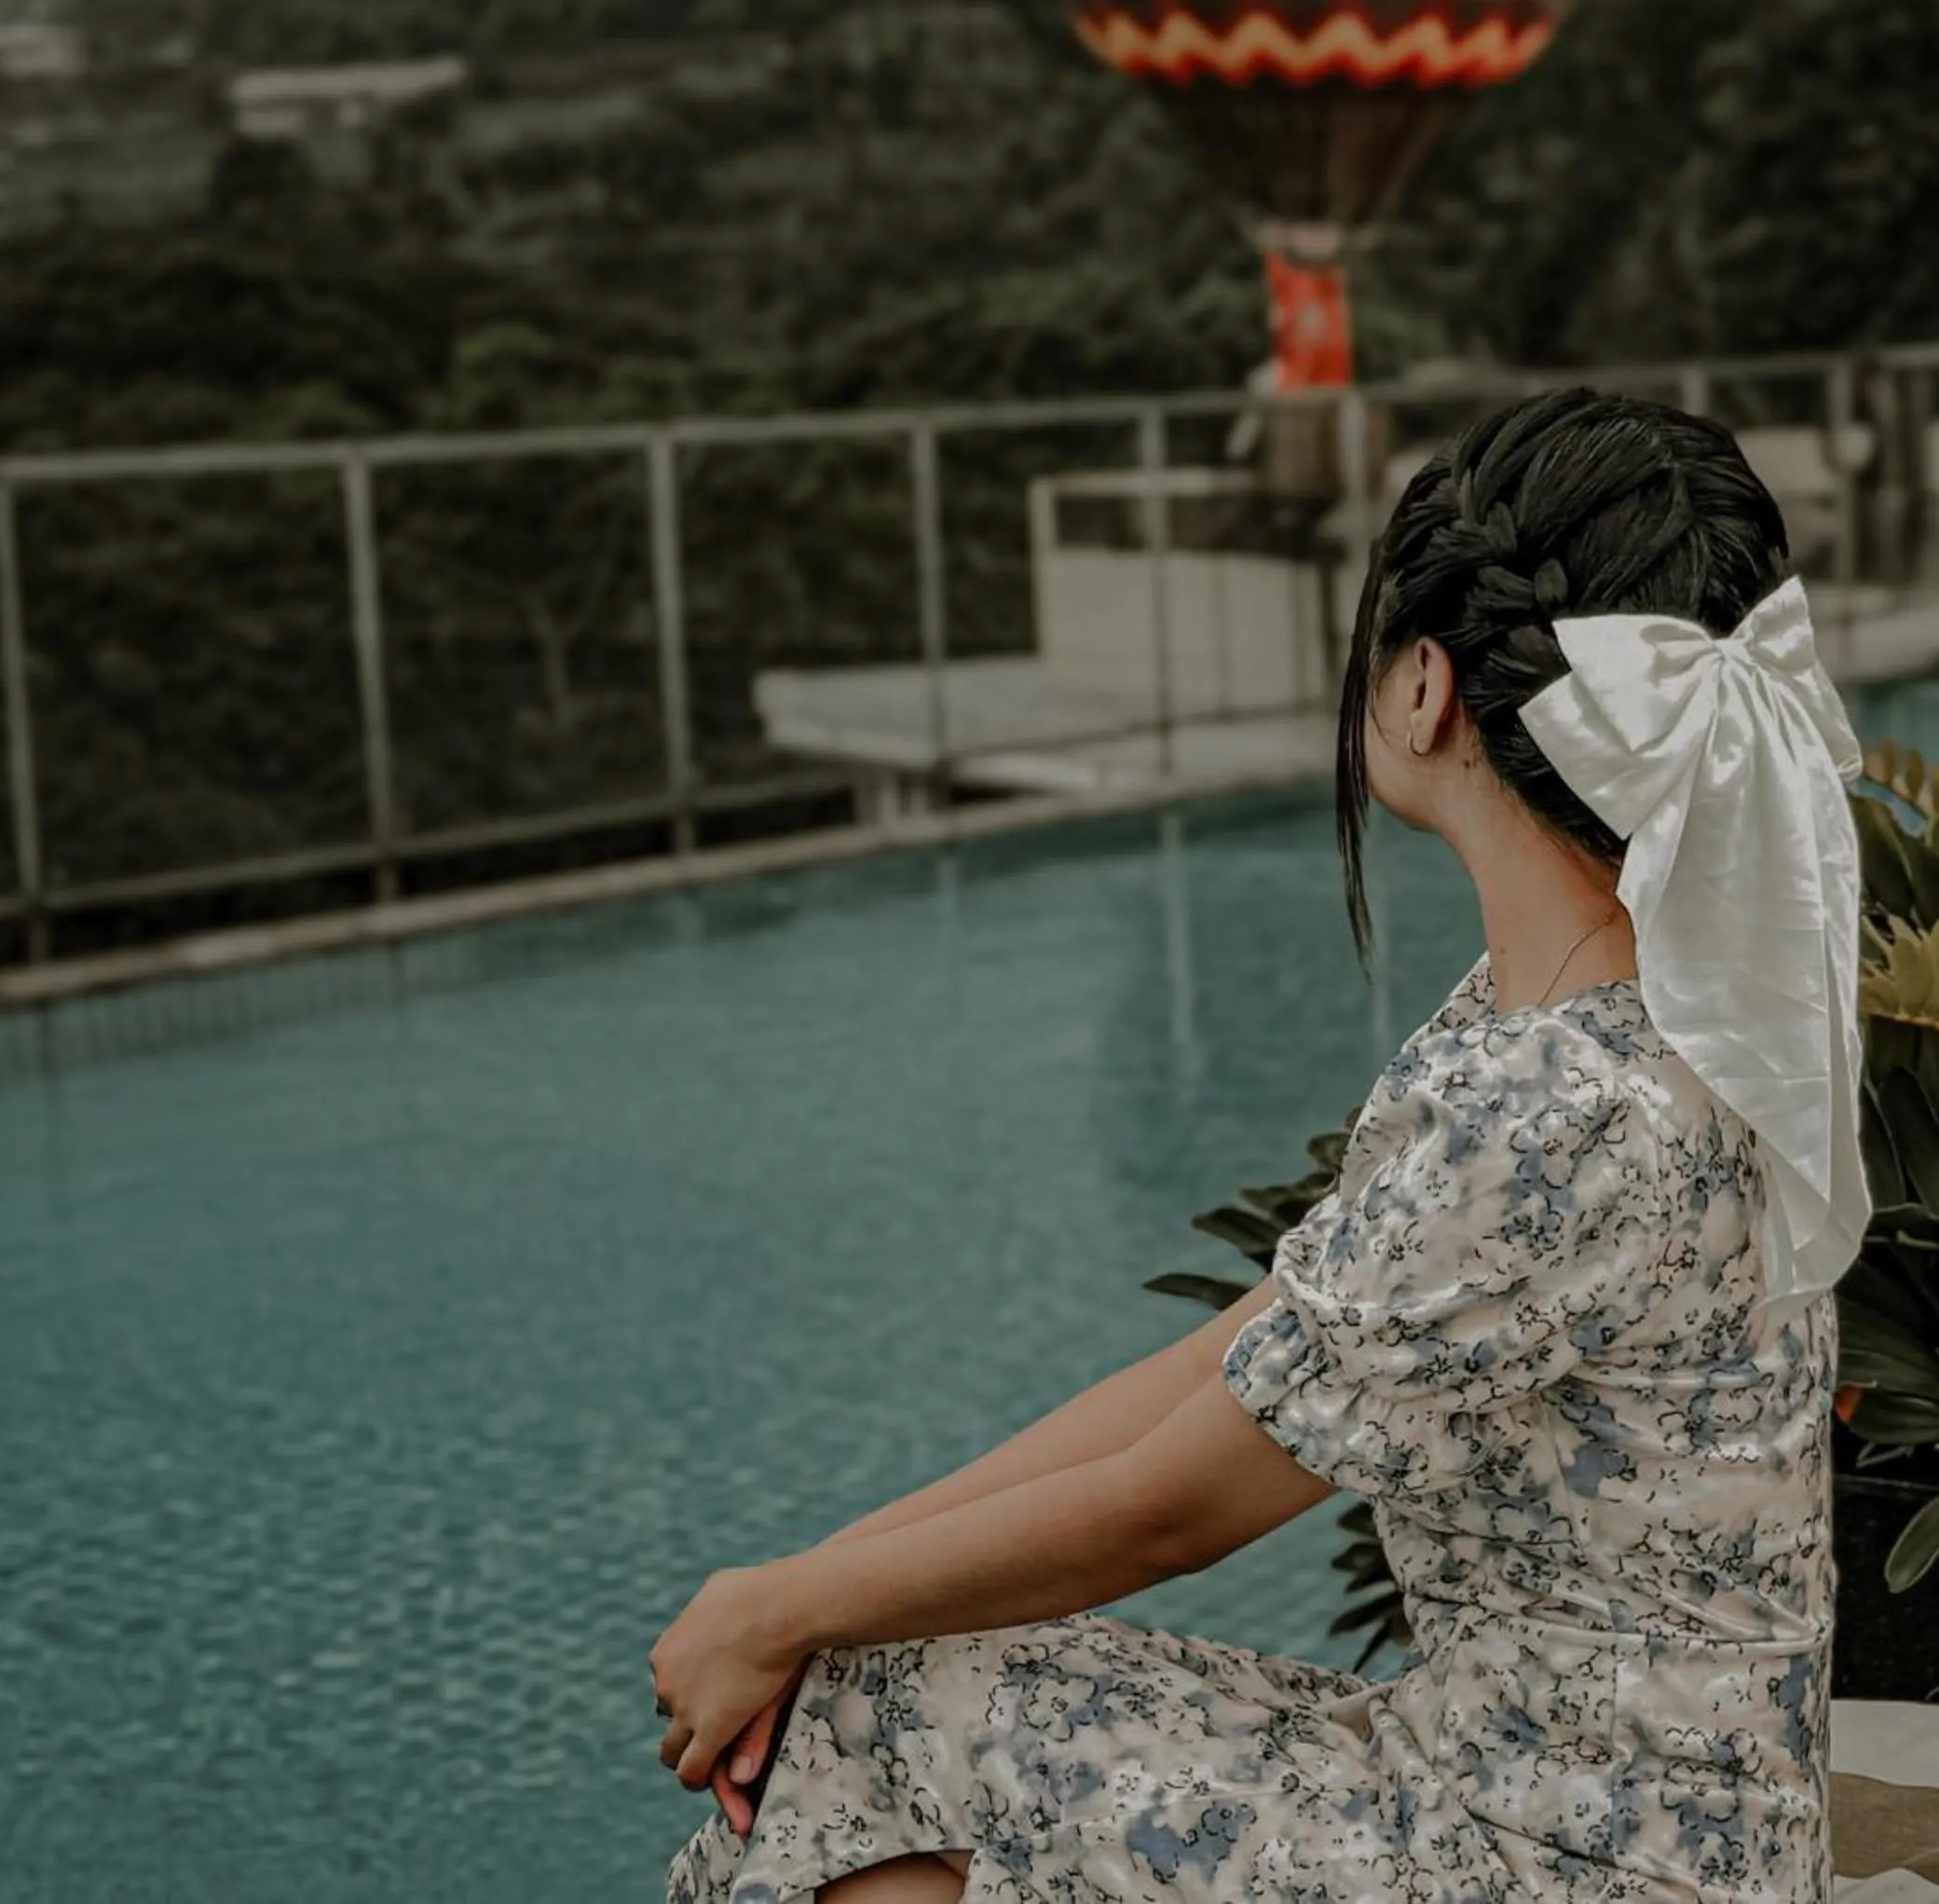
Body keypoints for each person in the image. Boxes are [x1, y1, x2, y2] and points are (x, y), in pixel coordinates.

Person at [652, 383, 1870, 1904]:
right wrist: (798, 1593)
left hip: (1560, 1864)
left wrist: (791, 1617)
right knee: (866, 1665)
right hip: (1624, 1828)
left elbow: (1169, 1511)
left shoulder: (1549, 1111)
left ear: (1425, 686)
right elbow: (1237, 1358)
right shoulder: (1663, 1000)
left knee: (858, 1724)